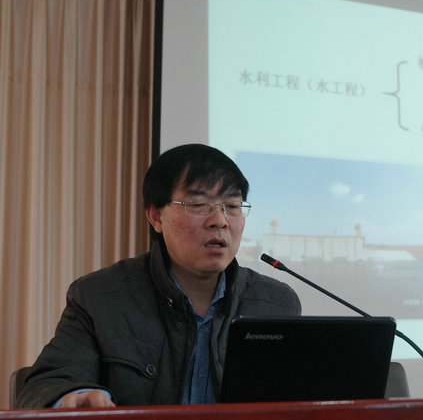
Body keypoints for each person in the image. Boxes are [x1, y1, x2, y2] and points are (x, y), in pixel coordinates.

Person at [17, 144, 301, 408]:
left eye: (233, 206)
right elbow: (47, 384)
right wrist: (74, 397)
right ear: (155, 216)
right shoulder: (99, 297)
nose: (220, 220)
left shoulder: (275, 303)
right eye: (198, 204)